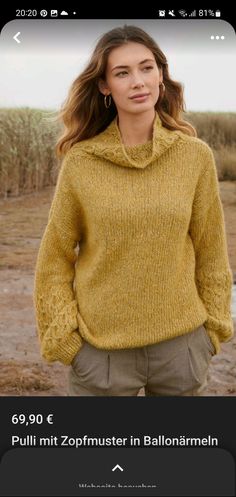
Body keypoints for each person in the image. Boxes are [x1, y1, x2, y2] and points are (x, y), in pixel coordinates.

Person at [33, 25, 234, 397]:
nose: (138, 81)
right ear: (105, 86)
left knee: (176, 456)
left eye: (146, 68)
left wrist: (213, 329)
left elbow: (211, 251)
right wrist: (66, 339)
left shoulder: (194, 157)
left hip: (182, 349)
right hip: (101, 354)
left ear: (161, 74)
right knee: (104, 456)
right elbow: (55, 257)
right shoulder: (82, 163)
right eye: (122, 73)